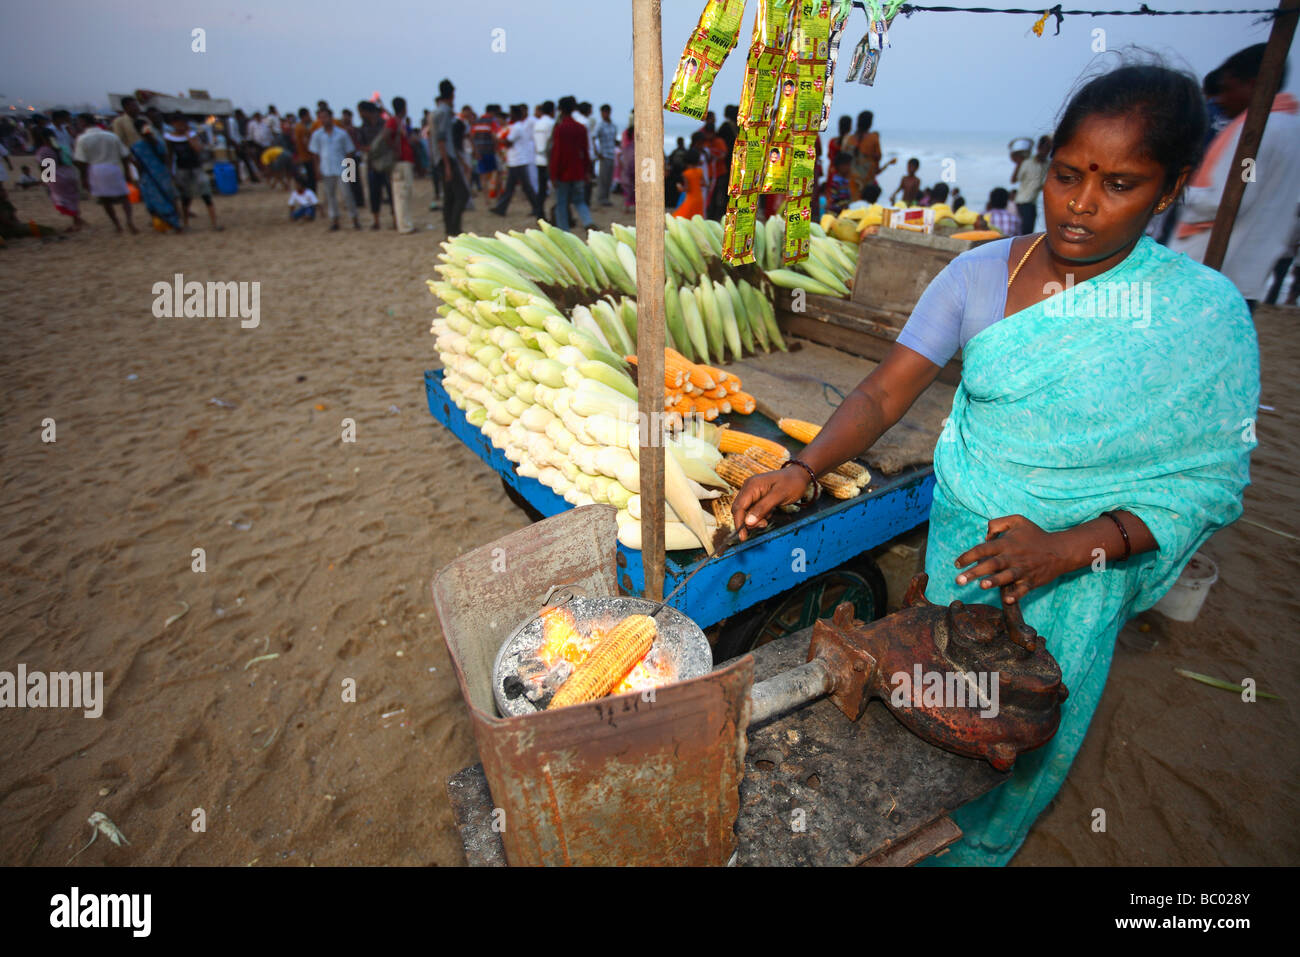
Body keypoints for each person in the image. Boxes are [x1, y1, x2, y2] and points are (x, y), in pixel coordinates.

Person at [730, 62, 1259, 867]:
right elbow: (884, 391)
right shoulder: (979, 274)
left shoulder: (1200, 316)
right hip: (965, 553)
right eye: (1067, 174)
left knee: (1018, 730)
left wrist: (1069, 545)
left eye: (1119, 183)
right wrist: (803, 467)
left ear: (1169, 188)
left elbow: (1208, 481)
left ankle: (979, 851)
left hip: (1079, 583)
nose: (1081, 204)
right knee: (931, 709)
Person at [1171, 43, 1300, 307]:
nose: (1220, 99)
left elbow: (1231, 198)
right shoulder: (1292, 129)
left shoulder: (1255, 134)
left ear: (1253, 85)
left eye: (1227, 89)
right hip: (1249, 272)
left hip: (1213, 268)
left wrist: (1173, 192)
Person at [73, 115, 136, 234]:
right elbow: (125, 155)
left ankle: (117, 224)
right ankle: (129, 220)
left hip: (96, 170)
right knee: (124, 197)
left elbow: (80, 161)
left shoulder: (82, 139)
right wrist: (127, 171)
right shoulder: (111, 136)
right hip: (113, 168)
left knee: (105, 200)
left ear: (83, 123)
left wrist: (84, 177)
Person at [165, 114, 222, 231]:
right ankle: (186, 224)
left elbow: (197, 149)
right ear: (173, 124)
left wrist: (188, 136)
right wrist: (170, 171)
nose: (181, 126)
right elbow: (170, 156)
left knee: (206, 195)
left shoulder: (192, 135)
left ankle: (214, 223)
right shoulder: (170, 138)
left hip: (196, 168)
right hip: (182, 170)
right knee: (186, 198)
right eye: (178, 123)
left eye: (183, 123)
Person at [309, 107, 360, 230]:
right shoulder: (317, 135)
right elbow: (315, 154)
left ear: (331, 117)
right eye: (321, 117)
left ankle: (354, 219)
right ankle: (335, 220)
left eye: (326, 116)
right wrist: (317, 170)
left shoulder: (342, 134)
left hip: (342, 168)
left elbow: (349, 152)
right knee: (330, 196)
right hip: (326, 169)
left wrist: (350, 171)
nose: (324, 119)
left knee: (347, 194)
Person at [550, 95, 594, 232]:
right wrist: (587, 171)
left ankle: (565, 231)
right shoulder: (581, 128)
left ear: (560, 110)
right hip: (578, 170)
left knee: (562, 203)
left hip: (563, 172)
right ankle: (588, 221)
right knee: (579, 201)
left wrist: (553, 174)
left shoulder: (560, 128)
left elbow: (557, 153)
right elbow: (585, 152)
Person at [129, 119, 182, 231]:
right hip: (162, 174)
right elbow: (166, 159)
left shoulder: (136, 147)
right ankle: (176, 222)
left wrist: (138, 179)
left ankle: (161, 224)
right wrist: (169, 172)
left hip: (148, 177)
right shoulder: (158, 143)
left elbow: (137, 164)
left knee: (153, 200)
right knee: (169, 197)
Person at [433, 80, 470, 236]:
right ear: (452, 94)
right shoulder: (445, 112)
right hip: (446, 158)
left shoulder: (438, 111)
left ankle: (450, 230)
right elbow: (442, 139)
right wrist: (448, 164)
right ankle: (454, 230)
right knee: (462, 194)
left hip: (444, 157)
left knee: (450, 195)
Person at [492, 104, 542, 219]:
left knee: (523, 187)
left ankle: (536, 207)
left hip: (518, 161)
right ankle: (502, 208)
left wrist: (497, 138)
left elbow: (508, 142)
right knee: (515, 187)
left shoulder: (517, 127)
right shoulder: (518, 126)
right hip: (517, 160)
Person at [33, 128, 85, 230]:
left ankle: (77, 221)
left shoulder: (44, 150)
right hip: (70, 174)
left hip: (59, 177)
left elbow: (47, 168)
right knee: (72, 198)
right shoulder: (61, 148)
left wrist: (46, 180)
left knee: (63, 200)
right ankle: (77, 219)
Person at [841, 110, 895, 201]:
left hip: (851, 182)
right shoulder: (873, 138)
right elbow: (877, 159)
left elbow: (843, 159)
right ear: (870, 123)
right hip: (867, 182)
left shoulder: (849, 139)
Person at [357, 101, 392, 230]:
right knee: (374, 193)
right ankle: (376, 220)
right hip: (372, 164)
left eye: (361, 111)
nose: (360, 115)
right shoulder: (363, 128)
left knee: (390, 191)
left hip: (386, 163)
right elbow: (360, 145)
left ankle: (394, 219)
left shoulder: (383, 124)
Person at [385, 96, 418, 234]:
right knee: (401, 194)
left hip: (404, 162)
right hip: (400, 163)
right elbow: (386, 136)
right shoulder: (393, 121)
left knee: (405, 194)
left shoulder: (398, 121)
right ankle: (404, 226)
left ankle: (405, 223)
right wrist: (395, 150)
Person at [1011, 135, 1051, 234]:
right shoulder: (1027, 163)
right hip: (1023, 201)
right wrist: (1018, 163)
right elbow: (1014, 179)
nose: (1046, 152)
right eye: (1045, 148)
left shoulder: (1047, 164)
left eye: (1048, 149)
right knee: (1025, 232)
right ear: (1039, 148)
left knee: (1028, 232)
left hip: (1032, 202)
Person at [470, 107, 501, 199]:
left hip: (479, 152)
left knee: (483, 177)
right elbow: (495, 136)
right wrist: (498, 148)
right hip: (490, 151)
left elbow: (472, 137)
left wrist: (475, 151)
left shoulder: (477, 122)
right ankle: (497, 197)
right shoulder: (492, 121)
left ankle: (486, 200)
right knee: (496, 174)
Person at [593, 104, 619, 206]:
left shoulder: (613, 126)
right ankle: (601, 198)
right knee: (603, 178)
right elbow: (593, 138)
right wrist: (597, 152)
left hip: (611, 154)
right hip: (604, 155)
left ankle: (606, 198)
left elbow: (613, 140)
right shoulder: (600, 126)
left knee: (609, 179)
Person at [533, 101, 555, 208]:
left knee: (541, 189)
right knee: (554, 189)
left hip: (538, 158)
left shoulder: (537, 123)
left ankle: (539, 212)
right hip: (549, 160)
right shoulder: (551, 124)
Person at [673, 148, 705, 219]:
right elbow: (704, 184)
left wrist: (680, 188)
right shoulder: (700, 171)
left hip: (691, 198)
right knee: (697, 217)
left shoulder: (686, 174)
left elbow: (687, 188)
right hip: (699, 198)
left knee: (682, 216)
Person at [616, 116, 636, 211]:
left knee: (627, 184)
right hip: (636, 161)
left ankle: (627, 204)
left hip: (627, 161)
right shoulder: (638, 132)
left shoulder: (625, 133)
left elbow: (623, 147)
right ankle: (633, 204)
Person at [822, 151, 852, 215]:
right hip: (835, 214)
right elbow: (834, 199)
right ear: (840, 166)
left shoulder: (845, 181)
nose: (849, 168)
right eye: (847, 165)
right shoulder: (837, 181)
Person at [293, 107, 315, 190]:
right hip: (307, 158)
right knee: (311, 181)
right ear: (305, 116)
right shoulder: (302, 129)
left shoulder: (297, 127)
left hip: (301, 157)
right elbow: (306, 143)